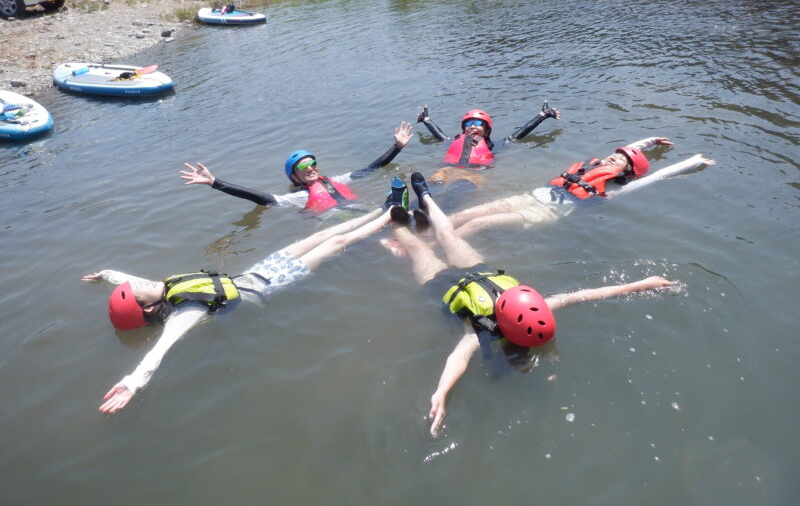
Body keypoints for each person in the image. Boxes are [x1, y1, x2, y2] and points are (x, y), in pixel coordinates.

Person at [386, 173, 679, 437]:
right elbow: (584, 295)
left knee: (417, 247)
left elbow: (458, 359)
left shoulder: (480, 333)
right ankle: (424, 195)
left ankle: (396, 219)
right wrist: (641, 284)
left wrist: (441, 392)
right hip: (478, 270)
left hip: (443, 286)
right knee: (447, 233)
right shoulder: (537, 308)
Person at [82, 207, 394, 414]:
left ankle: (378, 209)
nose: (143, 281)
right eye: (139, 290)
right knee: (335, 242)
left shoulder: (160, 289)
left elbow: (127, 279)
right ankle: (391, 215)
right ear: (148, 307)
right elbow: (158, 352)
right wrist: (132, 383)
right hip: (268, 286)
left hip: (254, 272)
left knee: (316, 236)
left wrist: (105, 275)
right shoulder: (185, 312)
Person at [447, 137, 716, 238]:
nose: (614, 157)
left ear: (627, 172)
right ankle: (425, 236)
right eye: (615, 154)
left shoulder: (615, 190)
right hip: (529, 197)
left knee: (477, 225)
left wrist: (694, 161)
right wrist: (651, 141)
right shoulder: (596, 165)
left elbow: (655, 177)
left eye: (621, 160)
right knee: (465, 215)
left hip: (545, 213)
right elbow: (630, 149)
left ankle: (434, 246)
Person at [180, 121, 414, 214]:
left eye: (313, 163)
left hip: (360, 210)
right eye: (304, 167)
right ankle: (393, 209)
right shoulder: (299, 197)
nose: (311, 168)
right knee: (386, 212)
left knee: (401, 210)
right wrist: (214, 182)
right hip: (342, 222)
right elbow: (260, 198)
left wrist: (397, 147)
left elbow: (371, 168)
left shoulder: (337, 180)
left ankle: (398, 208)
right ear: (295, 176)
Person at [416, 101, 560, 171]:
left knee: (461, 187)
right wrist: (426, 120)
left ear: (486, 130)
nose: (472, 126)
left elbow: (519, 134)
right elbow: (440, 135)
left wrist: (542, 116)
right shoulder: (455, 142)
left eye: (477, 123)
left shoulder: (494, 146)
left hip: (473, 173)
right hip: (449, 168)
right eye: (468, 124)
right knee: (437, 179)